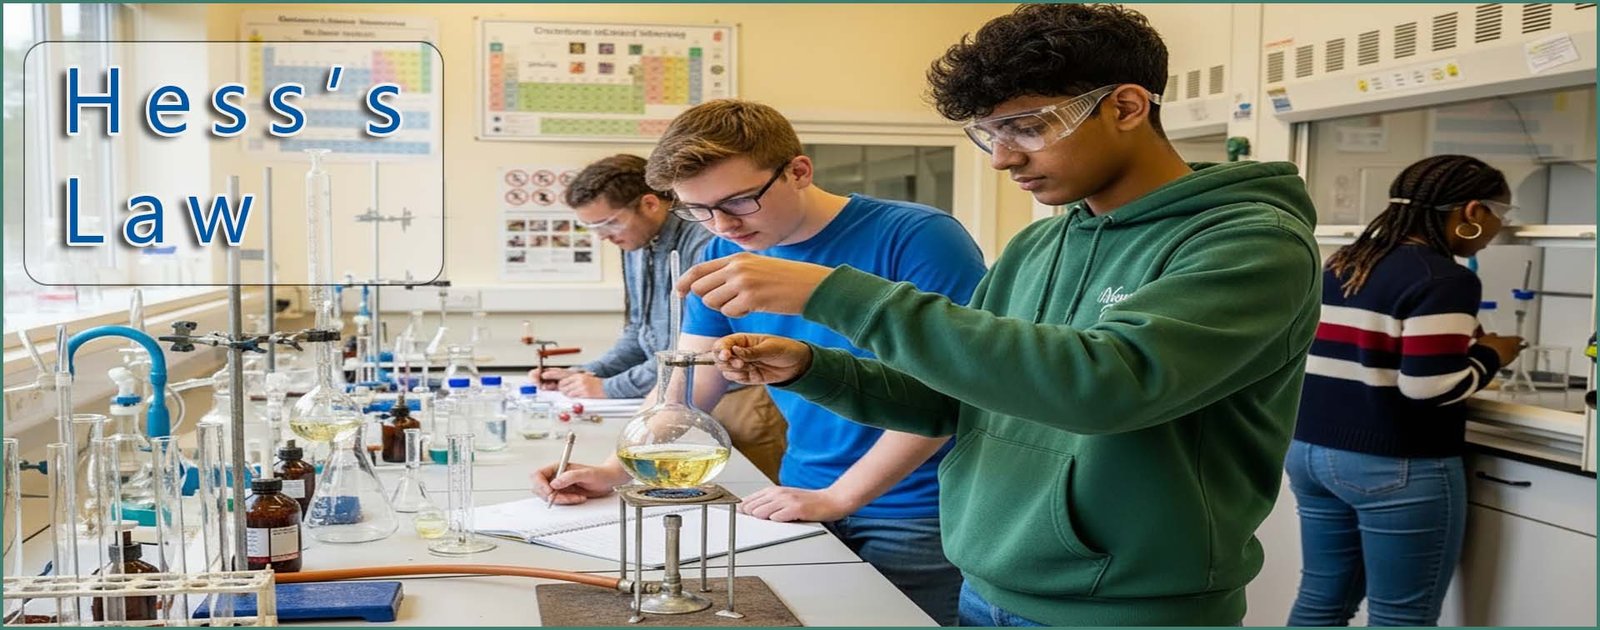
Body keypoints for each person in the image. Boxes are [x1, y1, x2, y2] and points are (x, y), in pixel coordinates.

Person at [675, 5, 1324, 626]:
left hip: (1128, 609)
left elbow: (1104, 387)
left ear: (1125, 106)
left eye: (1028, 128)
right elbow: (951, 400)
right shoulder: (1041, 243)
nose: (1002, 158)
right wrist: (815, 368)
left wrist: (833, 294)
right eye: (989, 134)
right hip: (987, 589)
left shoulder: (1250, 241)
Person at [530, 99, 987, 625]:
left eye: (740, 201)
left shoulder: (917, 237)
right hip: (799, 491)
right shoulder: (717, 257)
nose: (720, 224)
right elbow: (684, 386)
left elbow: (952, 389)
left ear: (798, 170)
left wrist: (841, 496)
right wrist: (615, 471)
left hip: (917, 507)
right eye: (696, 210)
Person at [1286, 155, 1523, 627]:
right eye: (1502, 215)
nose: (1500, 229)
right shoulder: (1445, 277)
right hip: (1393, 463)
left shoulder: (1345, 261)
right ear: (1473, 212)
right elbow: (1430, 388)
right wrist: (1495, 353)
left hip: (1310, 451)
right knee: (1402, 618)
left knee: (1322, 601)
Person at [530, 154, 788, 481]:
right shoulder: (636, 246)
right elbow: (640, 332)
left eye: (608, 223)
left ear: (650, 204)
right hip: (673, 397)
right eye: (592, 227)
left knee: (753, 498)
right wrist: (586, 374)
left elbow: (692, 350)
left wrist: (608, 388)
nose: (602, 237)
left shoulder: (710, 243)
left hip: (738, 397)